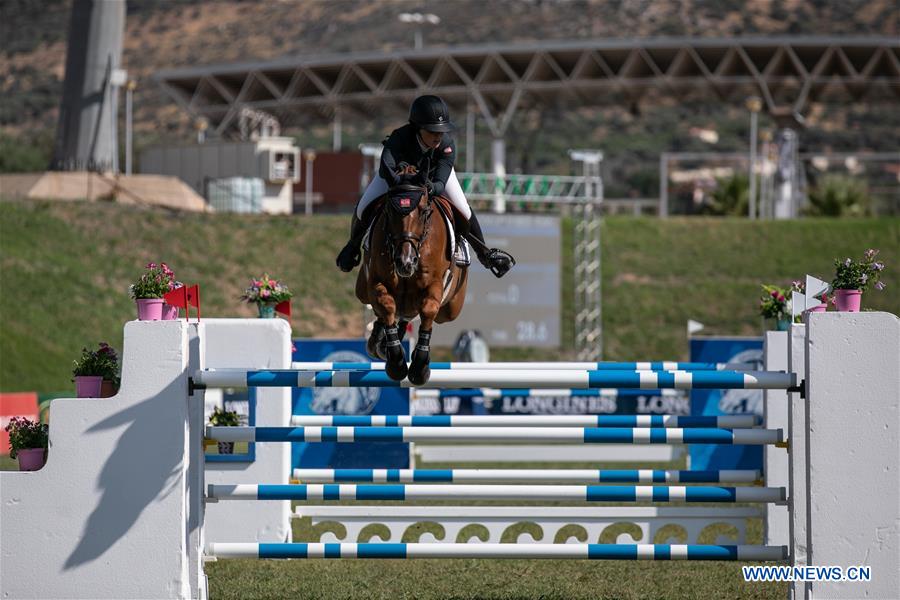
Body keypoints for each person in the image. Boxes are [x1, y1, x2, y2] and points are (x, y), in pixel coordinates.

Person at [335, 95, 515, 278]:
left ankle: (484, 254)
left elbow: (440, 182)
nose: (438, 136)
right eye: (432, 131)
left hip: (434, 179)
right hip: (396, 179)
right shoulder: (399, 138)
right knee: (364, 206)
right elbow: (386, 168)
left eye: (441, 131)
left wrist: (431, 187)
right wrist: (401, 181)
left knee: (464, 209)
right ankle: (352, 246)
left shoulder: (446, 146)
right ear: (418, 128)